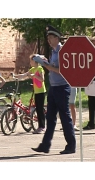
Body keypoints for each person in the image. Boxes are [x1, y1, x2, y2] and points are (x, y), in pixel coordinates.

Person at [31, 25, 76, 154]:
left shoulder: (62, 51)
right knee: (50, 117)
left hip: (62, 87)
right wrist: (45, 61)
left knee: (64, 117)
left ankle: (71, 145)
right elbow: (53, 66)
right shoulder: (54, 52)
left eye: (51, 37)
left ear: (57, 38)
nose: (49, 40)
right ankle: (45, 145)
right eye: (48, 38)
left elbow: (62, 70)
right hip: (54, 88)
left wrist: (45, 64)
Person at [13, 54, 46, 134]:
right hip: (36, 91)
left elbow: (42, 79)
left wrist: (34, 76)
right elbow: (25, 75)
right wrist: (16, 76)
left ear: (35, 61)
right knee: (37, 109)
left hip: (41, 91)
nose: (30, 62)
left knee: (40, 109)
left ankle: (42, 127)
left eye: (31, 61)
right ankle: (40, 126)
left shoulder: (39, 68)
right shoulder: (32, 69)